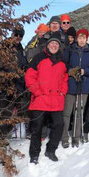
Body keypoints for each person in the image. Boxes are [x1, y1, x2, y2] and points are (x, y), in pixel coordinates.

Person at [26, 35, 68, 164]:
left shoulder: (62, 61)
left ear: (59, 46)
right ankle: (34, 154)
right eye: (52, 44)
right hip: (40, 100)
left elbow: (65, 79)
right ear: (47, 45)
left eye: (56, 44)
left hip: (56, 100)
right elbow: (29, 76)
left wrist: (62, 92)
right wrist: (37, 92)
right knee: (36, 128)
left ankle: (51, 150)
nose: (54, 46)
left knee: (59, 125)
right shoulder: (39, 58)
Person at [62, 29, 89, 148]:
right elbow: (64, 65)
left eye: (84, 38)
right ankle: (65, 137)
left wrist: (83, 71)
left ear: (86, 38)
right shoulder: (70, 49)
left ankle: (76, 137)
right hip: (71, 84)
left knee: (79, 112)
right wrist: (70, 72)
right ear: (76, 38)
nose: (82, 40)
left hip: (84, 85)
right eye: (80, 38)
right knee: (67, 112)